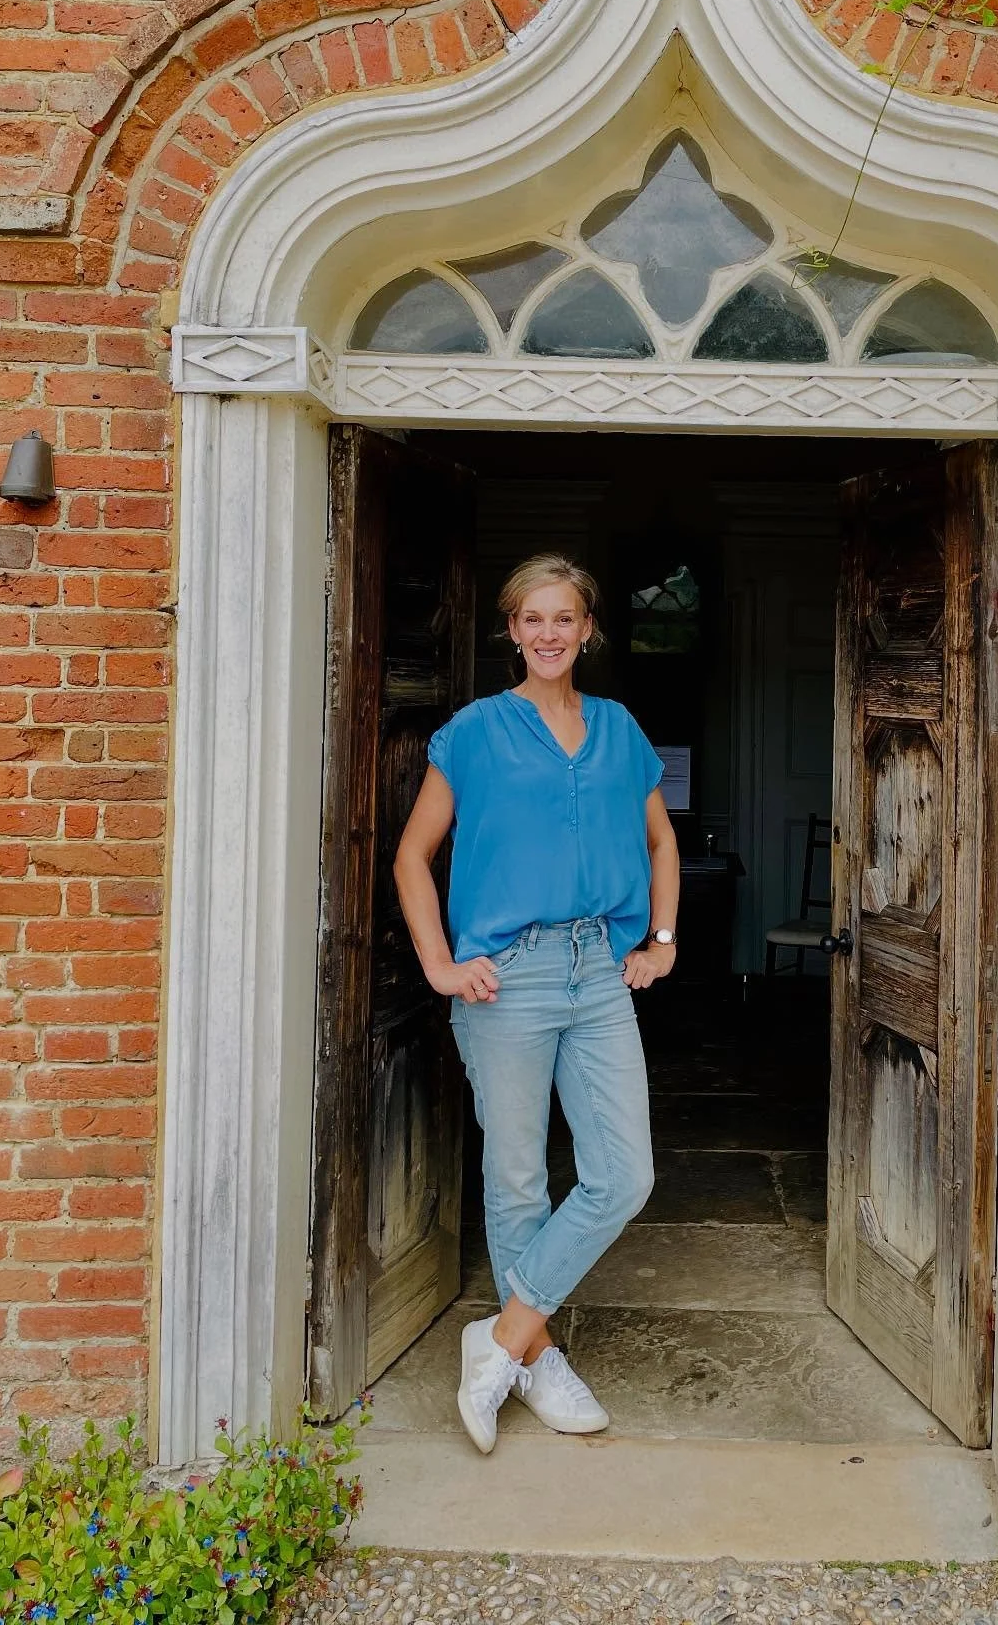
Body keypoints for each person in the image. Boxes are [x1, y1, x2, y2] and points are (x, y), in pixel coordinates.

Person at [394, 553, 680, 1455]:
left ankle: (504, 1337)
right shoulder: (474, 732)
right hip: (504, 976)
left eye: (565, 618)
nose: (549, 634)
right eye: (532, 619)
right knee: (517, 1175)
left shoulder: (621, 728)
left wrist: (659, 943)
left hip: (599, 969)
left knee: (622, 1173)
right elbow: (411, 857)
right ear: (512, 631)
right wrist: (441, 965)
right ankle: (542, 1356)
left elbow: (660, 845)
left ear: (588, 629)